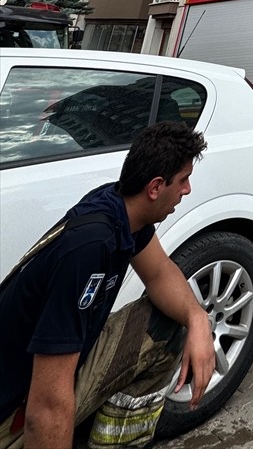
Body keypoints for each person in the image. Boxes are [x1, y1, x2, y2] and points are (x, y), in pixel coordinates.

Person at [0, 121, 216, 449]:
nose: (187, 190)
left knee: (172, 319)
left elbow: (159, 273)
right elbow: (46, 403)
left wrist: (199, 318)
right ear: (156, 187)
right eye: (184, 180)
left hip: (40, 375)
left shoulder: (121, 208)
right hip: (15, 406)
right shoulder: (90, 248)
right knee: (162, 331)